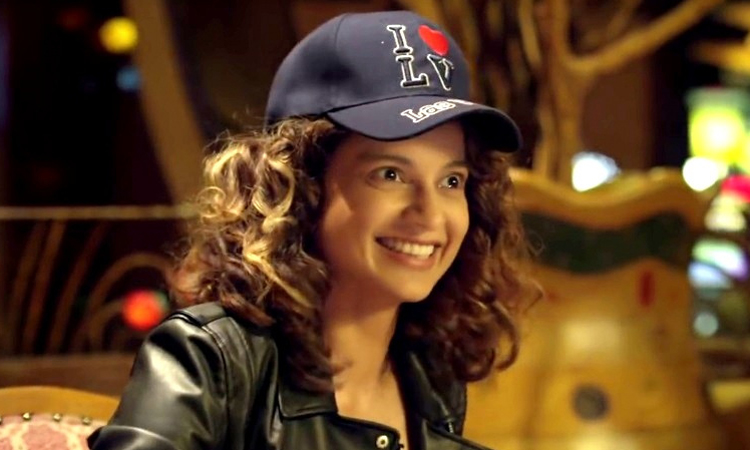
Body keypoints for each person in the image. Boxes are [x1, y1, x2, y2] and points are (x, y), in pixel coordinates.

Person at [88, 9, 537, 450]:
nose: (431, 215)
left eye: (451, 181)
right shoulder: (212, 359)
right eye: (390, 175)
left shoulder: (432, 379)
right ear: (299, 186)